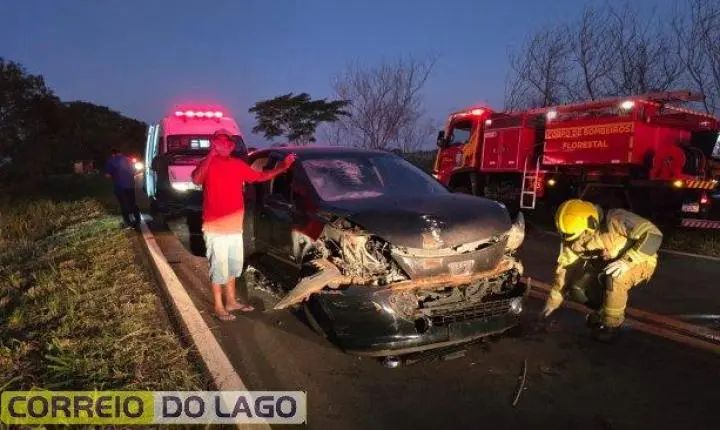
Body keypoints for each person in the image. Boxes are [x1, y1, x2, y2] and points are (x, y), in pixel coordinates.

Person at [191, 129, 296, 321]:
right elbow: (196, 179)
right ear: (213, 144)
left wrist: (283, 167)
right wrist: (210, 155)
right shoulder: (207, 163)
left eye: (226, 142)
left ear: (231, 146)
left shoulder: (237, 164)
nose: (223, 145)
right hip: (215, 227)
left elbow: (260, 177)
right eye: (218, 141)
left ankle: (231, 301)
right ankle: (219, 306)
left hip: (234, 227)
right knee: (218, 267)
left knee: (233, 266)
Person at [540, 199, 663, 342]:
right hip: (607, 265)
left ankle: (611, 325)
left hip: (641, 259)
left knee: (614, 278)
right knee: (577, 289)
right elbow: (564, 274)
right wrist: (550, 306)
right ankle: (603, 310)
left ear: (592, 223)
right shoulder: (572, 238)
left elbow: (653, 235)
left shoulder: (616, 219)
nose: (578, 240)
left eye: (582, 235)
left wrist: (627, 260)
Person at [105, 149, 141, 229]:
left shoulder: (111, 161)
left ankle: (128, 223)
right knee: (132, 203)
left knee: (123, 204)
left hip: (119, 186)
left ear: (113, 154)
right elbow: (135, 172)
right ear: (121, 153)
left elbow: (107, 175)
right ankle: (138, 220)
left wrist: (114, 175)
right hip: (130, 185)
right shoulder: (129, 160)